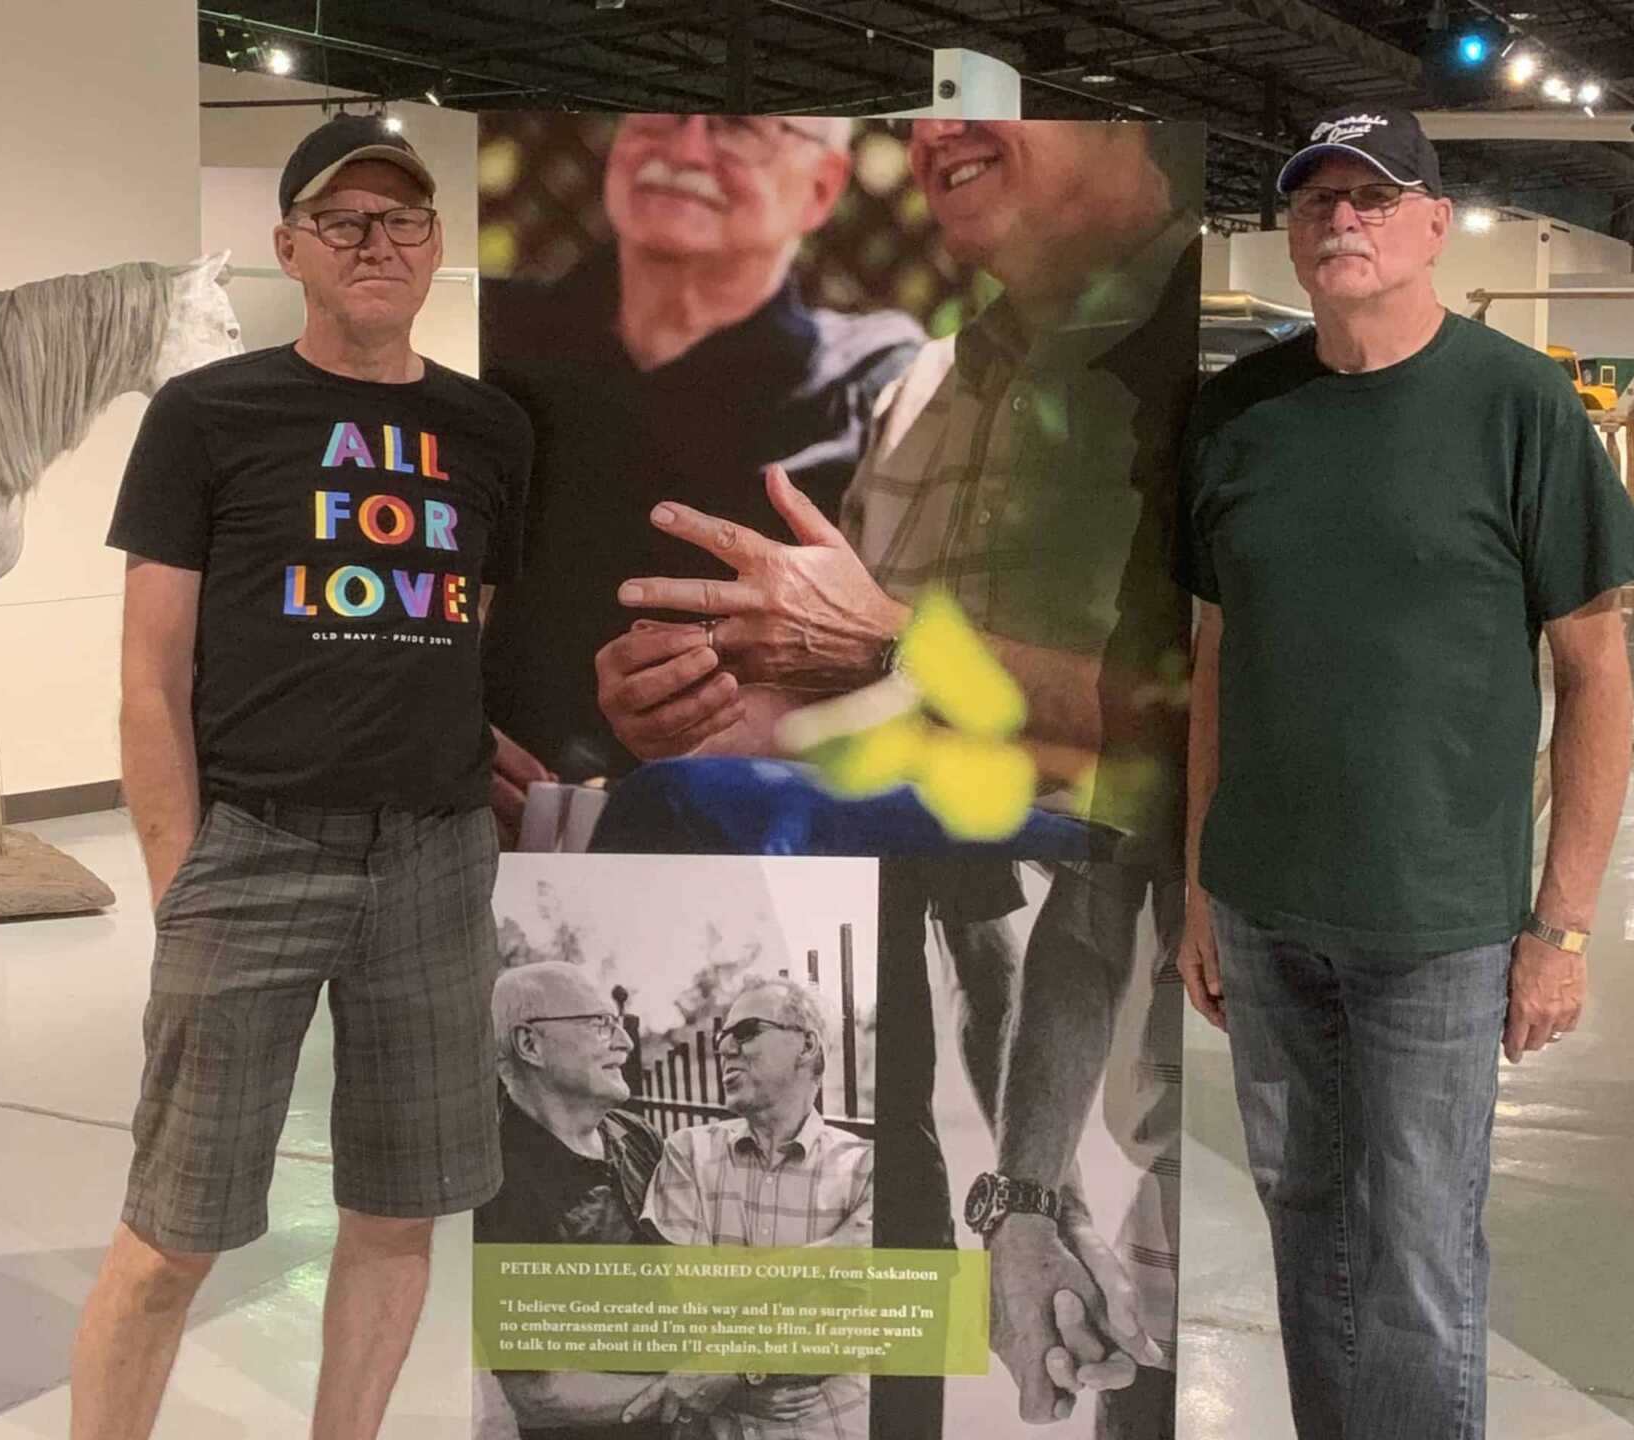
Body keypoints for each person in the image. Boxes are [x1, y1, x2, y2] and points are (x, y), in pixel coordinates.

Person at [592, 118, 1203, 1434]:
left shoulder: (1215, 368)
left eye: (1006, 85)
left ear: (1131, 122)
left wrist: (886, 640)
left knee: (1174, 1322)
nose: (938, 128)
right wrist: (708, 713)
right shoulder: (922, 387)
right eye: (924, 104)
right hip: (1021, 1005)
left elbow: (1197, 724)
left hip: (1175, 1006)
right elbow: (890, 717)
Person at [1172, 106, 1634, 1440]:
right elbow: (1217, 655)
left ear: (1436, 224)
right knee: (1306, 1230)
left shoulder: (1518, 406)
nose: (1341, 219)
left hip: (1439, 927)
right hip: (1266, 911)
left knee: (1418, 1261)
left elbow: (1596, 672)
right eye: (1315, 199)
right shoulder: (1238, 415)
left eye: (1373, 197)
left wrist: (1561, 927)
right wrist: (1203, 882)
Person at [71, 115, 530, 1440]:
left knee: (399, 1212)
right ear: (289, 247)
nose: (377, 242)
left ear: (435, 246)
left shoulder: (488, 429)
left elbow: (476, 628)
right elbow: (151, 674)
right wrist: (181, 876)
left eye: (403, 220)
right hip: (256, 852)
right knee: (173, 1230)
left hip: (436, 862)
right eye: (343, 220)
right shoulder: (209, 415)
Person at [479, 112, 923, 817]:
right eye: (658, 115)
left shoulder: (878, 386)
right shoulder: (484, 336)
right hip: (488, 832)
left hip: (751, 838)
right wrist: (435, 729)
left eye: (737, 128)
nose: (685, 149)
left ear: (822, 186)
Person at [476, 962, 798, 1438]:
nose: (625, 1043)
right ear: (530, 1045)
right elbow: (540, 1394)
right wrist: (694, 1387)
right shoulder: (499, 1187)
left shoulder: (635, 1134)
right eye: (600, 1024)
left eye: (618, 1023)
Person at [643, 977, 874, 1440]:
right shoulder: (688, 1152)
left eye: (746, 1032)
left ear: (807, 1045)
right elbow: (687, 1302)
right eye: (721, 1038)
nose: (725, 1048)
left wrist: (736, 1370)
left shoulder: (866, 1167)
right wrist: (833, 1255)